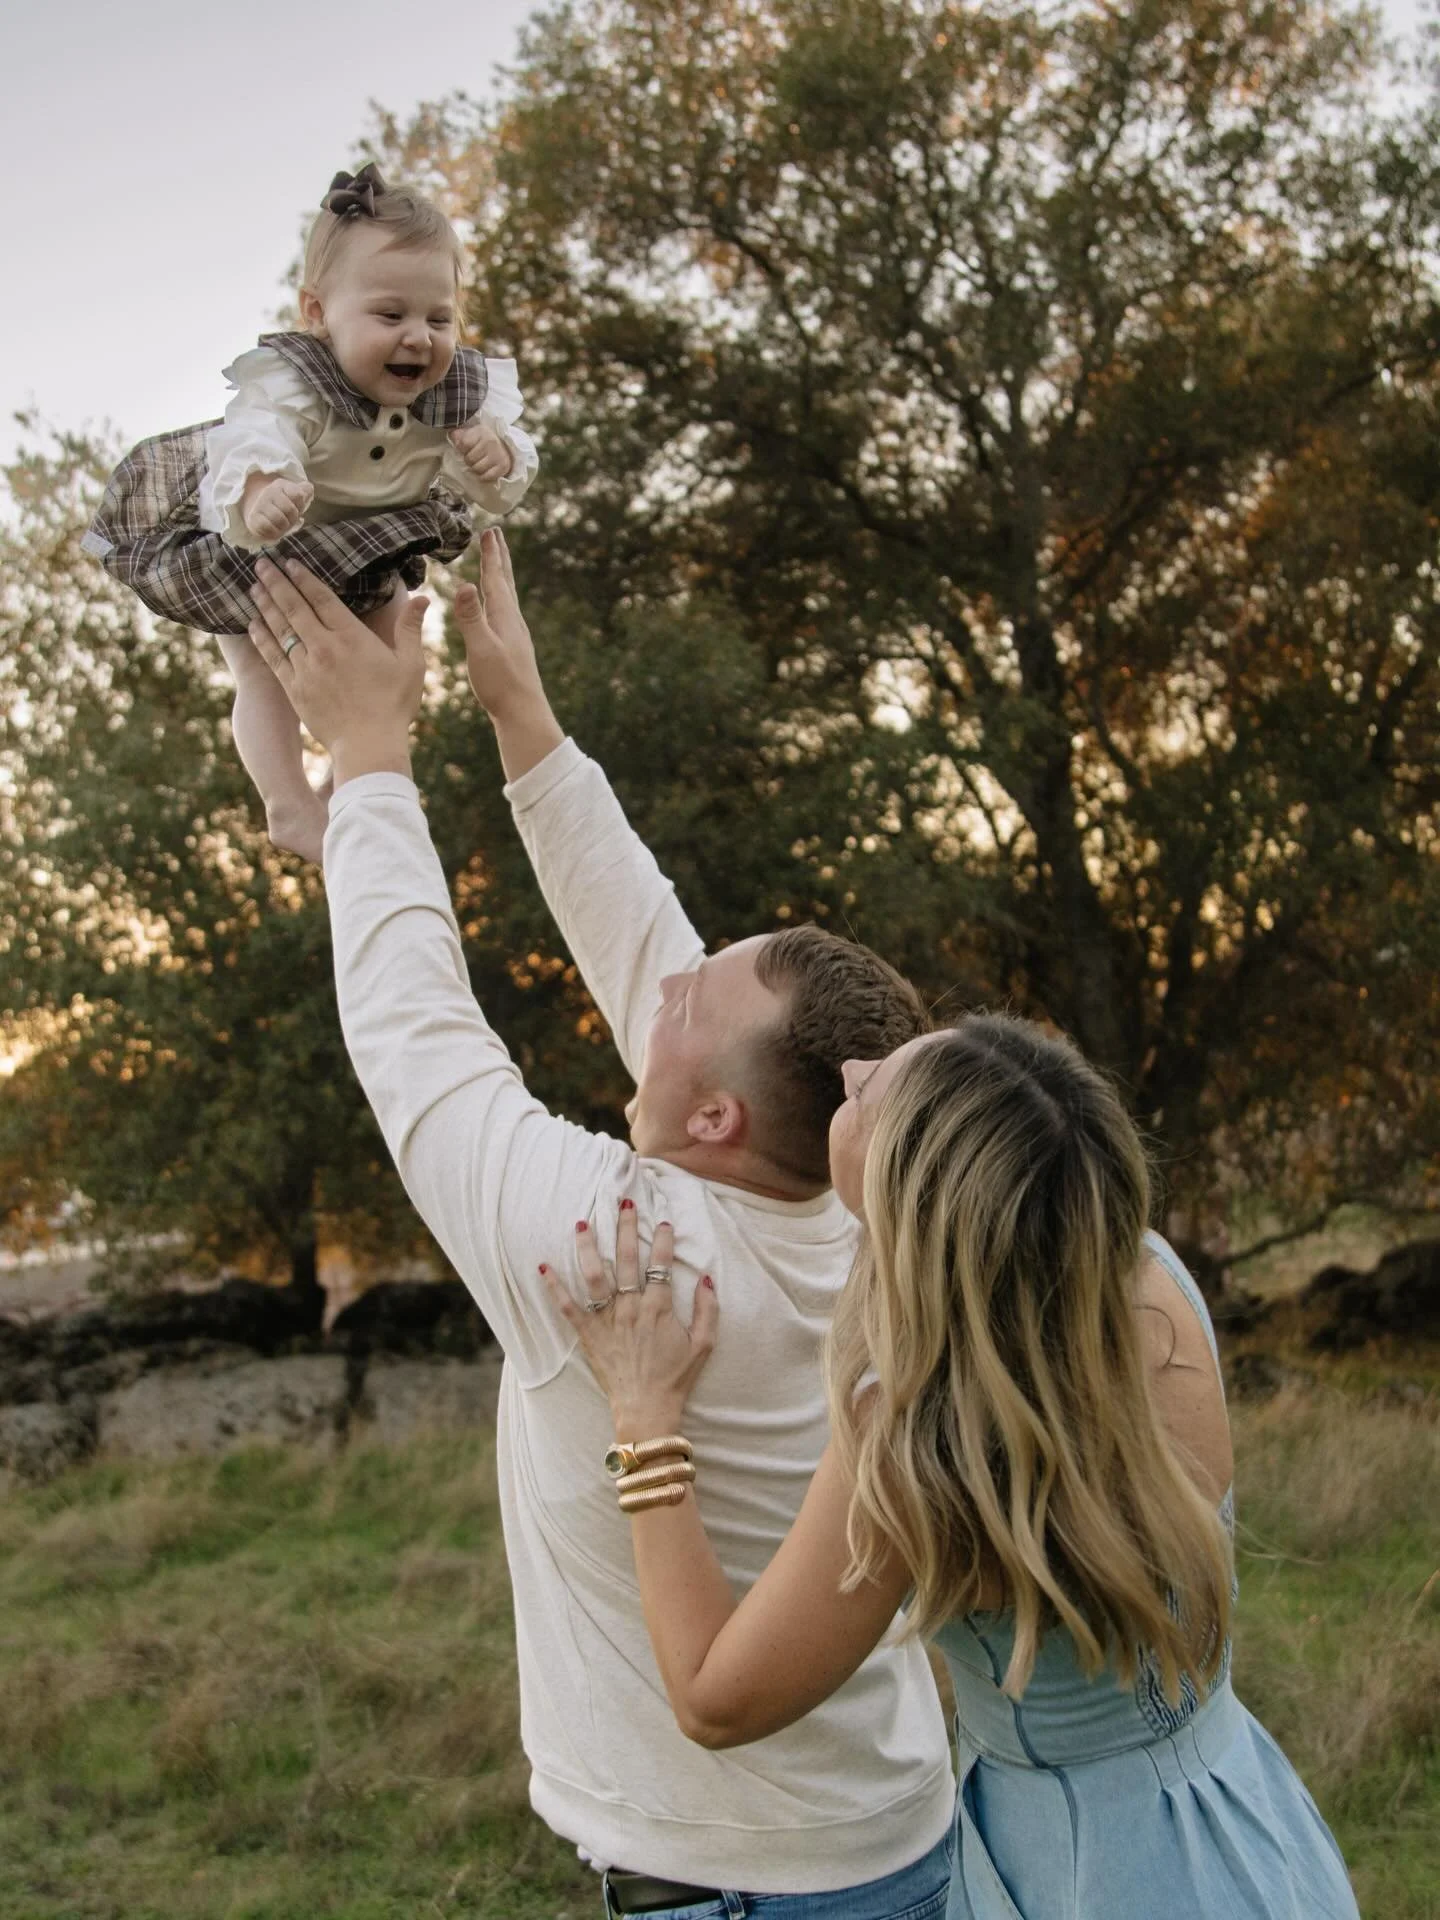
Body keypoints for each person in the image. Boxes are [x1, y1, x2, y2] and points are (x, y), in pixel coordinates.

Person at [244, 538, 958, 1920]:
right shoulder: (871, 1208)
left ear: (715, 1125)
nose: (667, 986)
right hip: (893, 1837)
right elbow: (654, 949)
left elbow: (420, 1041)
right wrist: (524, 718)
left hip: (738, 1893)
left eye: (694, 1001)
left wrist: (374, 760)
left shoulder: (624, 1254)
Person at [546, 1021, 1362, 1920]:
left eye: (864, 1094)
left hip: (1078, 1877)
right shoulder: (1149, 1278)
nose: (849, 1067)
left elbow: (714, 1697)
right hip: (1239, 1824)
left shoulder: (918, 1437)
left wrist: (645, 1419)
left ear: (911, 1196)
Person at [82, 162, 537, 862]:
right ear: (319, 314)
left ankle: (350, 776)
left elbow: (497, 485)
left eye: (438, 318)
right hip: (261, 554)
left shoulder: (460, 394)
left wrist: (494, 456)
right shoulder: (297, 382)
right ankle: (289, 804)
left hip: (370, 550)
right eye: (390, 315)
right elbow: (253, 438)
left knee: (395, 661)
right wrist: (263, 489)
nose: (418, 336)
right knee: (261, 672)